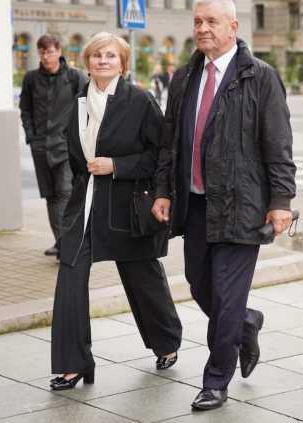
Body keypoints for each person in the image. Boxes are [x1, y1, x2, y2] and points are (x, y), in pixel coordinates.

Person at [151, 0, 295, 411]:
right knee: (200, 286)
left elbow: (279, 144)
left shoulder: (260, 76)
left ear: (234, 27)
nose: (202, 29)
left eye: (212, 21)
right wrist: (163, 190)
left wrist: (281, 200)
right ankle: (247, 325)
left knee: (228, 299)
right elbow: (168, 144)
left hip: (244, 205)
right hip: (194, 204)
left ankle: (216, 380)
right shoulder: (183, 78)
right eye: (197, 21)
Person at [49, 32, 182, 390]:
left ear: (122, 64)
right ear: (87, 61)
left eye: (110, 56)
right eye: (96, 55)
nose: (102, 61)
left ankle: (167, 340)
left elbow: (162, 154)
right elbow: (77, 156)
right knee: (70, 277)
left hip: (128, 207)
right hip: (86, 205)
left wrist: (117, 165)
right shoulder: (77, 101)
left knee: (142, 277)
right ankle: (74, 363)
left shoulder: (139, 100)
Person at [20, 34, 88, 257]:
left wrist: (78, 137)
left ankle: (67, 244)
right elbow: (26, 110)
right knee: (50, 196)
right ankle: (60, 242)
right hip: (41, 146)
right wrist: (32, 136)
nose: (46, 56)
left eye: (49, 52)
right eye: (42, 52)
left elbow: (87, 107)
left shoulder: (74, 77)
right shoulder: (31, 79)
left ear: (59, 52)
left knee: (65, 193)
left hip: (65, 147)